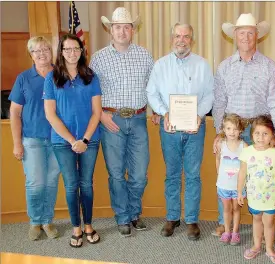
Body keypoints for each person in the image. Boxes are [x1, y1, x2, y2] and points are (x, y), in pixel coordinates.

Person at [211, 13, 275, 236]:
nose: (246, 37)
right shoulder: (224, 67)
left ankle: (258, 225)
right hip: (232, 129)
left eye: (250, 33)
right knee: (226, 174)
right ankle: (224, 222)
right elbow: (219, 101)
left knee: (258, 178)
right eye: (241, 32)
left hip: (258, 130)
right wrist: (219, 132)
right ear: (235, 35)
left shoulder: (269, 67)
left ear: (257, 36)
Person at [89, 7, 154, 237]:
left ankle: (134, 212)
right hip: (110, 120)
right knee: (116, 173)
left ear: (133, 30)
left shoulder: (145, 55)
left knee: (139, 174)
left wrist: (156, 110)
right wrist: (101, 115)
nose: (122, 31)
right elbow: (90, 91)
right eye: (118, 27)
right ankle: (123, 217)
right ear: (110, 30)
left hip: (138, 119)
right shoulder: (98, 58)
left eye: (127, 27)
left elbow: (153, 88)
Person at [146, 23, 214, 240]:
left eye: (186, 36)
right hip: (170, 130)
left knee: (193, 175)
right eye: (177, 36)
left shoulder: (202, 65)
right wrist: (164, 113)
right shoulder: (160, 65)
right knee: (172, 175)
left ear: (191, 40)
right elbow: (151, 93)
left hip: (195, 129)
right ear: (171, 38)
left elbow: (210, 95)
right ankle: (172, 217)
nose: (181, 40)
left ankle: (192, 220)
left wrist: (199, 115)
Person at [44, 34, 102, 248]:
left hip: (90, 140)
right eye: (67, 49)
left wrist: (84, 139)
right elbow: (50, 114)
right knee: (71, 186)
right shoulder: (51, 78)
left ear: (81, 50)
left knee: (86, 184)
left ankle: (88, 225)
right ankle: (75, 228)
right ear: (61, 52)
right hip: (62, 142)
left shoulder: (91, 76)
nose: (72, 53)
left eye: (75, 48)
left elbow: (97, 112)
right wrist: (72, 140)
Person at [9, 36, 60, 241]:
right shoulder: (23, 78)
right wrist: (16, 143)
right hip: (32, 139)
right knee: (35, 183)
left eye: (46, 49)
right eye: (36, 50)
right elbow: (14, 113)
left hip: (58, 139)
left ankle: (47, 221)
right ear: (31, 55)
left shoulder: (61, 75)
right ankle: (35, 221)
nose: (42, 54)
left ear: (52, 52)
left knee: (51, 182)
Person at [237, 115, 275, 264]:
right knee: (256, 220)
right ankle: (257, 246)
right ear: (252, 135)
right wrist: (239, 191)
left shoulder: (274, 153)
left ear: (272, 135)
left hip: (271, 198)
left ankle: (269, 249)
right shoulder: (247, 151)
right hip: (254, 196)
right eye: (257, 133)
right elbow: (242, 172)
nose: (261, 137)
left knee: (268, 222)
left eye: (265, 134)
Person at [215, 113, 247, 245]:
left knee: (236, 209)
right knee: (226, 209)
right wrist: (219, 177)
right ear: (223, 129)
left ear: (240, 130)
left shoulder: (244, 146)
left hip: (237, 187)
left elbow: (245, 167)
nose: (232, 132)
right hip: (224, 185)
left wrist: (242, 186)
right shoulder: (220, 144)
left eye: (235, 129)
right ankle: (227, 231)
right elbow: (217, 161)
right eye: (228, 129)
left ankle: (235, 232)